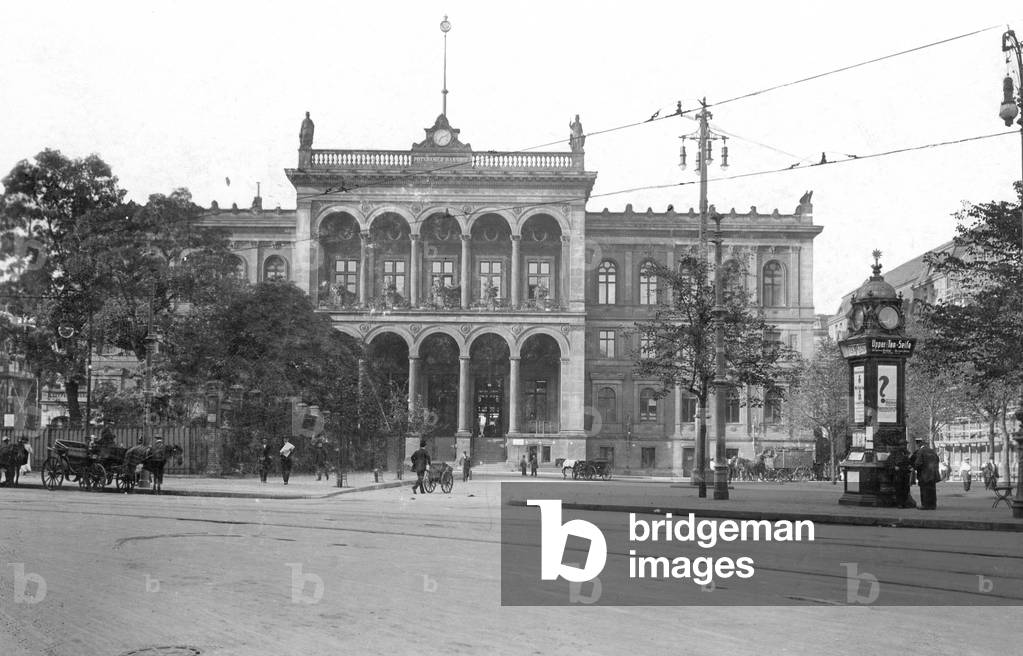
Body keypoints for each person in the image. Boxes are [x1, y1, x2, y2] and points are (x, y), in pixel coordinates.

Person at [909, 438, 941, 510]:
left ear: (918, 444)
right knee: (932, 490)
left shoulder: (921, 451)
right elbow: (937, 460)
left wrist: (914, 467)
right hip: (933, 474)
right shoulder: (932, 451)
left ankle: (926, 505)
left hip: (924, 474)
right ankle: (932, 505)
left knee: (925, 490)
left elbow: (918, 463)